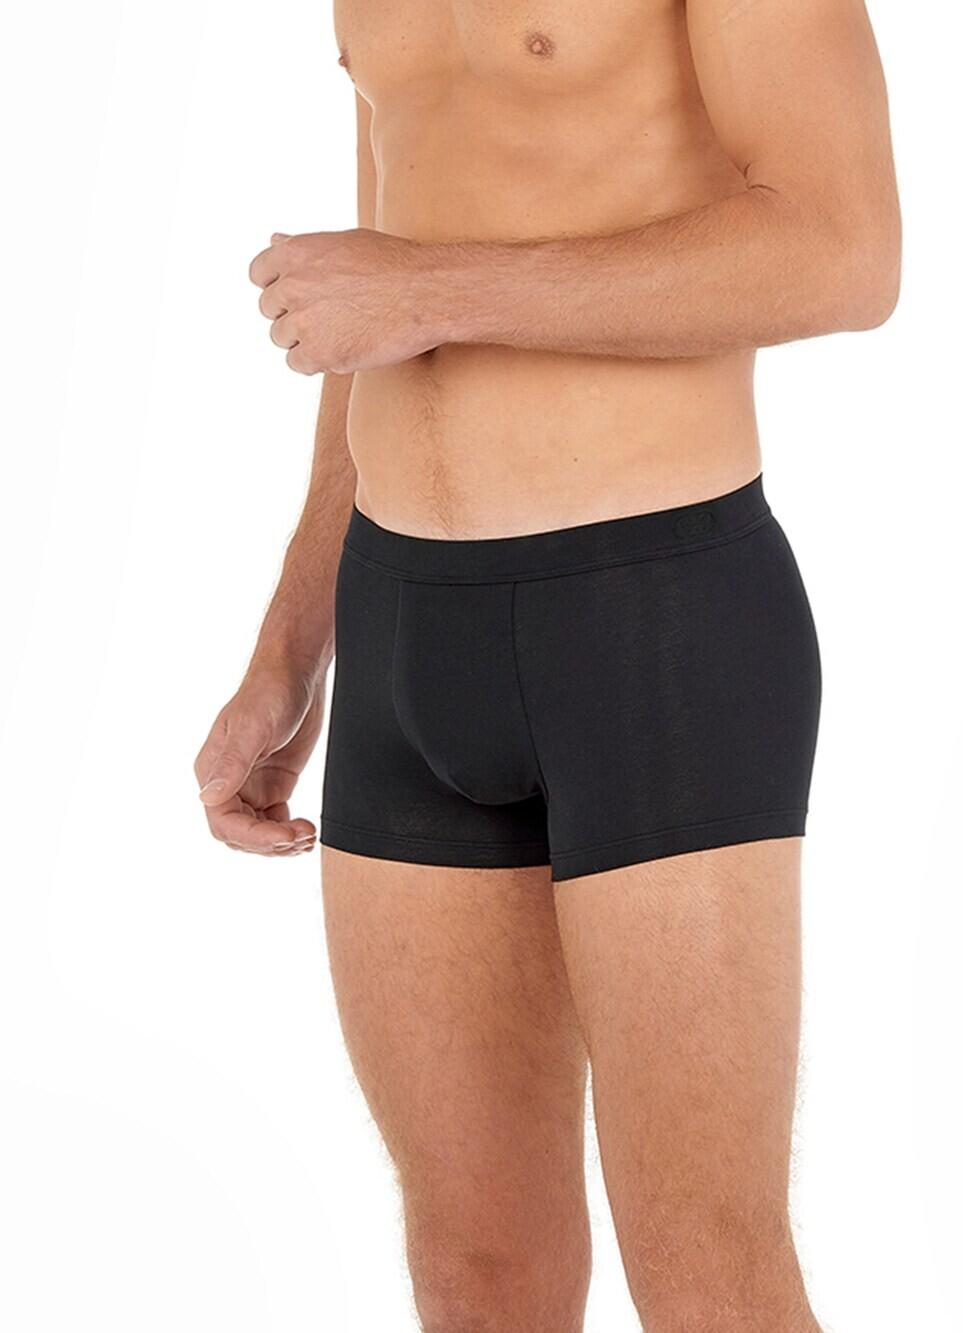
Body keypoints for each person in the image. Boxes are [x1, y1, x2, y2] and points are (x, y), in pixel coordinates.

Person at [195, 0, 900, 1327]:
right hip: (405, 624)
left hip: (651, 623)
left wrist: (434, 289)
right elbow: (377, 280)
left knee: (706, 1267)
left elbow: (844, 247)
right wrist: (290, 647)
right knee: (475, 1269)